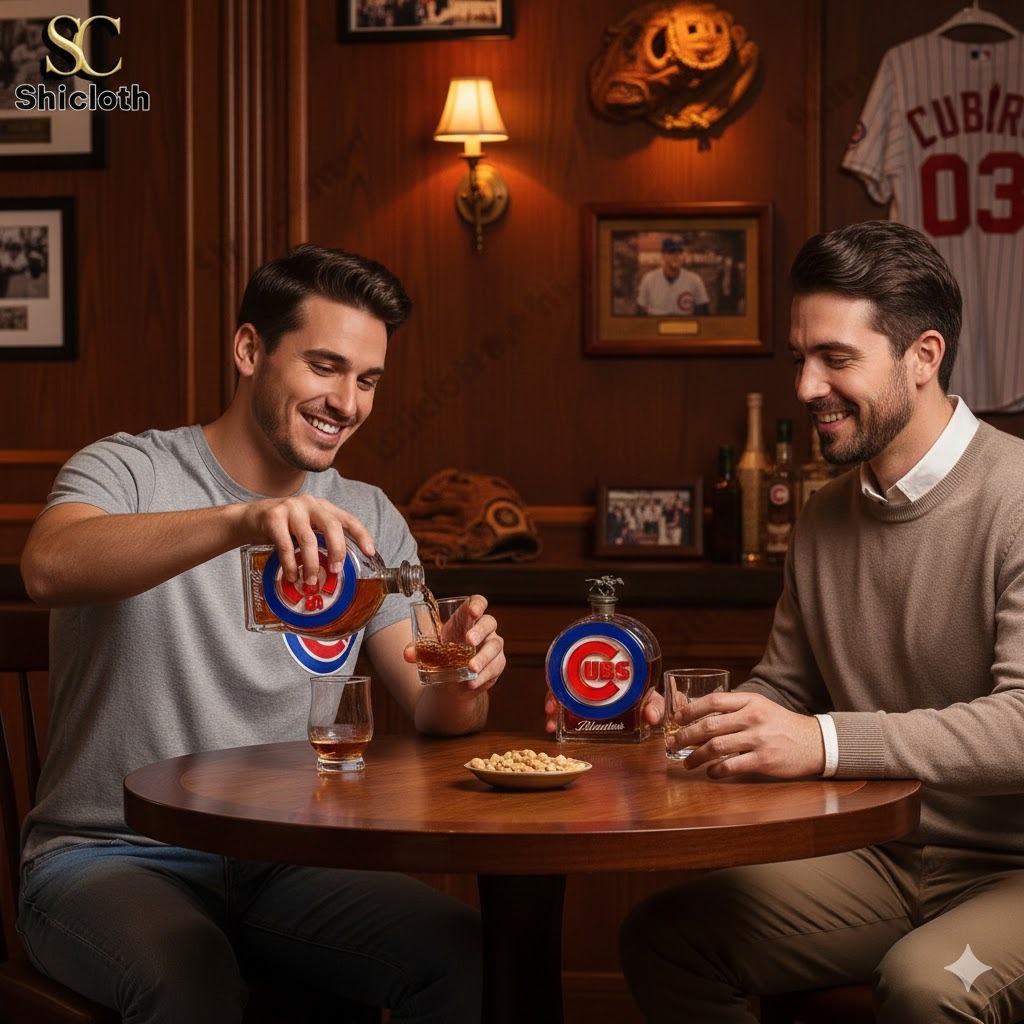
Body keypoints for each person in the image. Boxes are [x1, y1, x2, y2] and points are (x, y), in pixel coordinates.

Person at [18, 243, 507, 1024]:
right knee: (191, 979)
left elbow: (435, 709)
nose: (347, 402)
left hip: (294, 862)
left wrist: (463, 672)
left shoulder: (370, 516)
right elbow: (48, 566)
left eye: (369, 379)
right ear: (250, 350)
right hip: (110, 855)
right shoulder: (128, 471)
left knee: (472, 956)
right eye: (324, 366)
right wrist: (242, 520)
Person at [556, 220, 1024, 1022]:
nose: (805, 387)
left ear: (924, 357)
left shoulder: (1016, 499)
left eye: (836, 359)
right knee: (665, 937)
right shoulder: (825, 515)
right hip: (878, 858)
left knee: (924, 985)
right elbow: (785, 688)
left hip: (1011, 871)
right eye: (801, 358)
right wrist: (684, 718)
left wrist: (825, 742)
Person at [635, 236, 711, 317]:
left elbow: (703, 315)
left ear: (684, 255)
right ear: (663, 255)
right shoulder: (649, 279)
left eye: (680, 252)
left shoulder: (695, 280)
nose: (676, 255)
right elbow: (640, 313)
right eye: (671, 252)